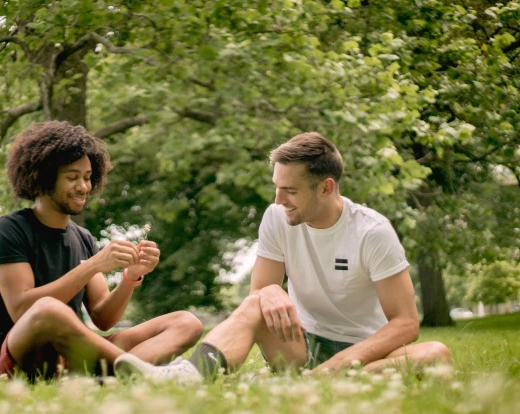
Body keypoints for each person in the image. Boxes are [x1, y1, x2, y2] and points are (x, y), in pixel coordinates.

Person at [115, 132, 451, 381]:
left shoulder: (372, 232)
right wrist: (271, 291)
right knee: (254, 306)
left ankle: (320, 381)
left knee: (436, 354)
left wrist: (335, 366)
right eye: (277, 187)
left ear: (326, 187)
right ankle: (188, 375)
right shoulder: (277, 217)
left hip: (367, 350)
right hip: (302, 343)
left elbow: (406, 323)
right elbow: (258, 295)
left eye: (290, 191)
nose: (278, 200)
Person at [0, 121, 203, 381]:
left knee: (187, 322)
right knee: (47, 310)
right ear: (42, 178)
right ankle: (146, 373)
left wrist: (130, 277)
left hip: (70, 358)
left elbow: (103, 317)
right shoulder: (8, 230)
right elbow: (22, 310)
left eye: (87, 177)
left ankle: (117, 374)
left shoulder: (83, 238)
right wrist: (93, 265)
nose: (84, 187)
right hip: (20, 358)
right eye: (72, 177)